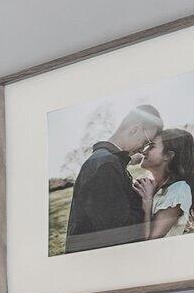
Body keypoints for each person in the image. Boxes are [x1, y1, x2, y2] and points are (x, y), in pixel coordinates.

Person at [64, 104, 160, 252]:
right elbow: (122, 236)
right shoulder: (106, 165)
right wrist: (145, 203)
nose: (143, 150)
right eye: (146, 142)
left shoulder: (106, 160)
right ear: (135, 129)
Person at [139, 126, 194, 239]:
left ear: (168, 156)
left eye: (151, 146)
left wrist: (147, 202)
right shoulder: (150, 184)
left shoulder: (179, 191)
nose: (144, 151)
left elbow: (151, 241)